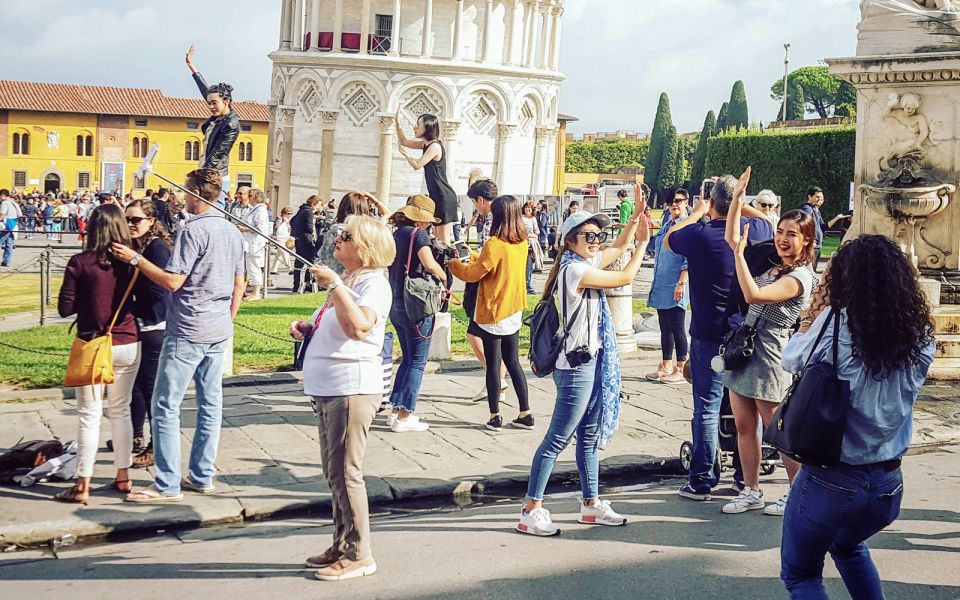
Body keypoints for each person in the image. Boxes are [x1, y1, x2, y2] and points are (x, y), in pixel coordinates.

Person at [778, 235, 935, 598]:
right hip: (887, 482)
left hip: (832, 477)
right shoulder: (919, 334)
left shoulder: (837, 325)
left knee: (801, 575)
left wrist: (810, 319)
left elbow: (791, 359)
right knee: (848, 547)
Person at [516, 200, 651, 536]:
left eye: (598, 235)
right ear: (570, 240)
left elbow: (618, 247)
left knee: (588, 437)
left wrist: (634, 219)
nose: (596, 241)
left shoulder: (582, 261)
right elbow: (626, 275)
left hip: (589, 361)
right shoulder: (575, 270)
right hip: (575, 365)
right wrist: (645, 244)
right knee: (557, 438)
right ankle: (531, 508)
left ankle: (590, 504)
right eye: (589, 236)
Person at [117, 168, 245, 503]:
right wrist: (225, 320)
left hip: (189, 328)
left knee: (165, 405)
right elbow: (240, 284)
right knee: (210, 404)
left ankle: (167, 484)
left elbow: (173, 281)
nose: (182, 198)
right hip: (217, 328)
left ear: (195, 193)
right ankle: (202, 476)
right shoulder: (232, 230)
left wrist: (135, 259)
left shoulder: (194, 230)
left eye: (186, 191)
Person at [290, 215, 396, 581]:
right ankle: (341, 542)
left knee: (348, 473)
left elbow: (359, 328)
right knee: (334, 472)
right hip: (329, 386)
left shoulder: (374, 284)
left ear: (364, 247)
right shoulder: (352, 280)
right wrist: (309, 330)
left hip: (351, 388)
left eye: (346, 236)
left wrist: (334, 284)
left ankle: (360, 554)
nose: (338, 239)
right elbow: (338, 325)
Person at [663, 172, 773, 501]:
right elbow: (767, 218)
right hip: (744, 331)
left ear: (711, 202)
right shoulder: (754, 231)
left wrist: (699, 211)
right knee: (745, 408)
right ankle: (744, 474)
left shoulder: (699, 234)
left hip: (709, 332)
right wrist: (742, 202)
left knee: (706, 407)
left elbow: (670, 238)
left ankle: (702, 479)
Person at [722, 168, 815, 517]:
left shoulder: (799, 277)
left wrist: (738, 256)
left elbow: (753, 293)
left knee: (778, 431)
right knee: (745, 425)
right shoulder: (774, 265)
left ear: (806, 240)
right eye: (780, 232)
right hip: (745, 349)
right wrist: (736, 199)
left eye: (792, 234)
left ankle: (797, 493)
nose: (783, 239)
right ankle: (751, 490)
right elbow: (733, 237)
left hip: (772, 353)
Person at [54, 204, 141, 503]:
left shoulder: (80, 262)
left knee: (89, 416)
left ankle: (83, 485)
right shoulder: (131, 263)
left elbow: (65, 308)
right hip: (128, 341)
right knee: (121, 410)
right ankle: (123, 476)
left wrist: (88, 301)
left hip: (93, 343)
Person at [449, 195, 531, 432]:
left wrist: (454, 265)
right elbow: (494, 263)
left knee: (494, 365)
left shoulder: (495, 243)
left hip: (494, 310)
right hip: (513, 308)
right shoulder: (521, 241)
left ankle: (495, 415)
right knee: (513, 362)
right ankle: (525, 412)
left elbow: (474, 274)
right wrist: (474, 254)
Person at [386, 196, 448, 433]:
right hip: (417, 304)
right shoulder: (418, 234)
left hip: (397, 301)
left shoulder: (397, 234)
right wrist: (443, 275)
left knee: (408, 358)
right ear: (422, 219)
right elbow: (429, 264)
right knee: (418, 362)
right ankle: (404, 415)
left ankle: (395, 409)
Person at [124, 200, 173, 469]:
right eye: (127, 219)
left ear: (152, 221)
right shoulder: (140, 244)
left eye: (136, 220)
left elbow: (161, 290)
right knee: (137, 385)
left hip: (154, 325)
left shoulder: (156, 248)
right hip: (142, 323)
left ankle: (156, 446)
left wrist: (141, 316)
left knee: (152, 387)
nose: (130, 224)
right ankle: (134, 435)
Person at [464, 179, 508, 403]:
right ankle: (497, 380)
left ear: (481, 200)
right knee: (493, 340)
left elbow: (488, 257)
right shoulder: (503, 216)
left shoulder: (492, 219)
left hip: (486, 283)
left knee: (475, 334)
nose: (475, 207)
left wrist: (469, 260)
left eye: (474, 202)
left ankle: (496, 379)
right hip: (498, 284)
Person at [185, 44, 239, 209]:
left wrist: (198, 176)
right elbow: (205, 90)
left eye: (214, 103)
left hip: (216, 176)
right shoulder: (218, 116)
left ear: (226, 101)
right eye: (209, 103)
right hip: (206, 171)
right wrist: (191, 65)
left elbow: (217, 155)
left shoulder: (231, 124)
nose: (211, 107)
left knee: (215, 210)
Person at [395, 109, 458, 246]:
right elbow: (404, 141)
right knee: (436, 237)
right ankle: (438, 264)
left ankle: (447, 265)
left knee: (443, 239)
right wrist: (397, 123)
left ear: (428, 127)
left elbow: (417, 165)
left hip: (443, 196)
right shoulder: (426, 144)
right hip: (436, 196)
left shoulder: (435, 146)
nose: (415, 127)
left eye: (418, 124)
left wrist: (405, 155)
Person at [646, 189, 690, 385]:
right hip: (662, 281)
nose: (675, 204)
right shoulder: (667, 224)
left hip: (677, 282)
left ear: (686, 202)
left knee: (677, 325)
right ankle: (666, 364)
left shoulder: (687, 226)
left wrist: (682, 281)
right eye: (672, 201)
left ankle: (681, 367)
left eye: (679, 201)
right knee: (665, 326)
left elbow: (688, 258)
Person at [316, 192, 388, 275]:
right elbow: (387, 213)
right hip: (366, 276)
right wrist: (371, 197)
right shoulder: (373, 229)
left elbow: (324, 257)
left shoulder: (337, 229)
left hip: (341, 278)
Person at [239, 189, 270, 301]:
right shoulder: (254, 209)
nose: (249, 197)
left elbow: (260, 228)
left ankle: (256, 292)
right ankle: (253, 291)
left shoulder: (260, 210)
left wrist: (244, 228)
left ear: (256, 197)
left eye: (251, 195)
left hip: (255, 244)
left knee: (254, 267)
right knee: (250, 267)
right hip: (250, 243)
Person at [291, 195, 322, 293]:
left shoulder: (301, 210)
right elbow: (309, 228)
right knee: (310, 262)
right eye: (318, 205)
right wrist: (313, 229)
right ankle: (307, 283)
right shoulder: (309, 212)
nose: (319, 207)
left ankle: (296, 285)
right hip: (306, 239)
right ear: (314, 204)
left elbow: (292, 221)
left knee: (298, 262)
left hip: (298, 239)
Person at [798, 186, 826, 270]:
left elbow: (822, 227)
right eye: (817, 197)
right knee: (809, 271)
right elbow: (804, 225)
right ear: (809, 197)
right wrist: (810, 240)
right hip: (812, 245)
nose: (820, 200)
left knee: (811, 271)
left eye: (821, 198)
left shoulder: (815, 209)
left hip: (816, 245)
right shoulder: (807, 208)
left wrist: (837, 218)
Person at [521, 201, 543, 294]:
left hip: (531, 246)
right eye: (526, 207)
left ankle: (529, 287)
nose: (527, 209)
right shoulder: (520, 218)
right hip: (521, 245)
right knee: (521, 266)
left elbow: (537, 232)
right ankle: (521, 286)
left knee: (529, 267)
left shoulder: (533, 219)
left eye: (529, 208)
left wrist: (529, 235)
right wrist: (529, 234)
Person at [270, 206, 295, 276]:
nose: (289, 215)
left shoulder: (288, 220)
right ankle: (290, 268)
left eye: (291, 213)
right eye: (288, 213)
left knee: (279, 254)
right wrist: (274, 236)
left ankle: (273, 269)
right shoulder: (279, 219)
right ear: (284, 213)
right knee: (285, 252)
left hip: (286, 238)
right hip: (280, 238)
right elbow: (276, 228)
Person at [0, 189, 18, 266]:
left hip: (6, 224)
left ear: (3, 196)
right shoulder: (14, 202)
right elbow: (20, 213)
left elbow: (2, 214)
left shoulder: (4, 203)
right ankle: (6, 261)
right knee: (9, 244)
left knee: (1, 240)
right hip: (13, 224)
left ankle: (6, 261)